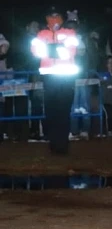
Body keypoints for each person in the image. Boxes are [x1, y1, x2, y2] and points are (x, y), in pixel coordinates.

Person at [30, 9, 80, 155]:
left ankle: (63, 145)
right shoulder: (41, 34)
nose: (54, 18)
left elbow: (71, 52)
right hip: (49, 77)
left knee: (64, 112)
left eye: (56, 15)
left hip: (65, 77)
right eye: (51, 16)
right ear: (46, 18)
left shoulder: (70, 33)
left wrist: (49, 50)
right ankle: (54, 144)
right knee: (51, 112)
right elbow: (35, 52)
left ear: (61, 18)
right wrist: (58, 50)